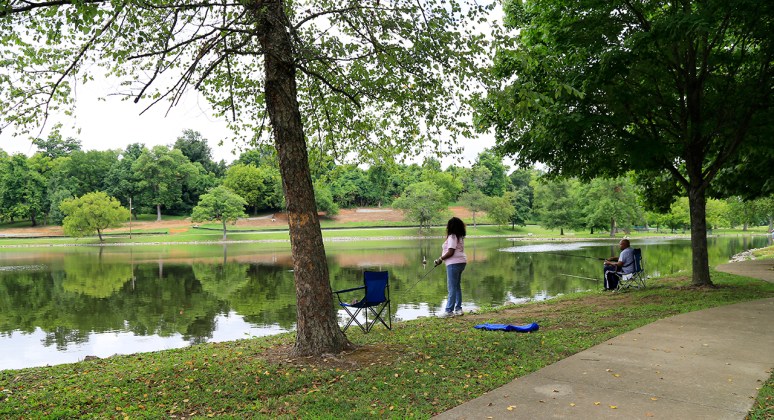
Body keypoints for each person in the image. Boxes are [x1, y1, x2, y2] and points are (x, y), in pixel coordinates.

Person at [434, 217, 468, 317]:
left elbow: (451, 252)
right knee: (457, 286)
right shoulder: (459, 236)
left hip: (454, 263)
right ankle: (458, 309)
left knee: (452, 287)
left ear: (451, 226)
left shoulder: (452, 236)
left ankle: (449, 311)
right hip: (461, 262)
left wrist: (440, 259)